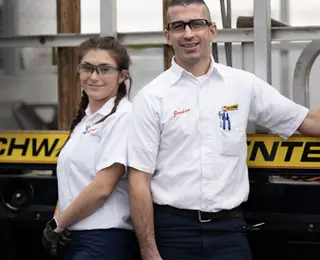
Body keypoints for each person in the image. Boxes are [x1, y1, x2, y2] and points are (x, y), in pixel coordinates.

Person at [127, 0, 320, 259]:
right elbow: (139, 179)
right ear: (167, 35)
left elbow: (305, 120)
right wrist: (149, 251)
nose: (188, 33)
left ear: (212, 30)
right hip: (173, 232)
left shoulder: (242, 85)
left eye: (196, 23)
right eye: (178, 26)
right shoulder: (151, 97)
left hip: (229, 232)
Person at [42, 36, 141, 260]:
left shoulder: (123, 117)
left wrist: (57, 224)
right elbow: (70, 185)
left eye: (104, 69)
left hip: (105, 239)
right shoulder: (85, 120)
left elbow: (102, 188)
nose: (94, 77)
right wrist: (58, 225)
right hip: (75, 235)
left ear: (122, 75)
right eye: (87, 68)